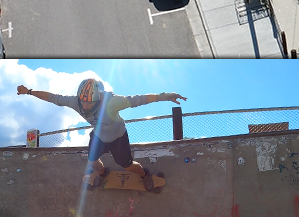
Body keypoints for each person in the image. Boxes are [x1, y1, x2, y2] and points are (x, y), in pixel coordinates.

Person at [17, 78, 186, 190]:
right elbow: (53, 97)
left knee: (127, 165)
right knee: (91, 161)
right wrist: (29, 91)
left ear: (98, 99)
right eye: (82, 101)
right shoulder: (75, 102)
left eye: (89, 103)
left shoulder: (112, 103)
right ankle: (103, 173)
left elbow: (139, 99)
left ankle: (145, 174)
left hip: (118, 137)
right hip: (98, 136)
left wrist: (165, 96)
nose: (85, 106)